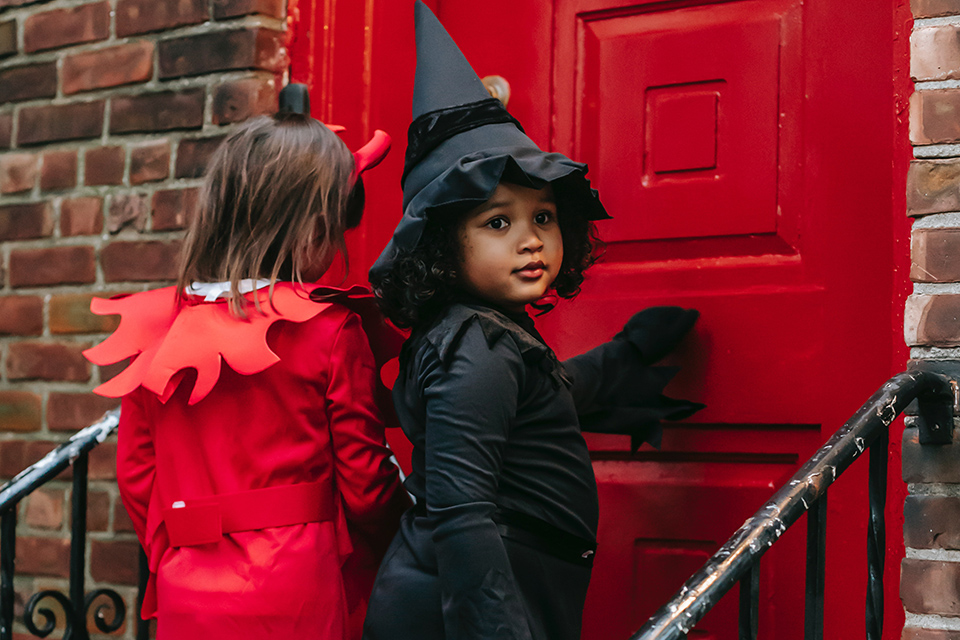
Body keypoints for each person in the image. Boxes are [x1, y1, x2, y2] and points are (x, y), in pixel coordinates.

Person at [361, 5, 703, 640]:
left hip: (501, 588)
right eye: (498, 222)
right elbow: (464, 515)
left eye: (542, 218)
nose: (530, 241)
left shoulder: (481, 330)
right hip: (477, 603)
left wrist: (625, 355)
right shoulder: (476, 341)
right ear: (441, 243)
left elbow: (538, 398)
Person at [84, 87, 410, 640]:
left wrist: (173, 557)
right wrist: (402, 540)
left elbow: (139, 475)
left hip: (187, 584)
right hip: (297, 585)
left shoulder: (156, 326)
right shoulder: (330, 329)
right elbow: (364, 481)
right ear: (310, 228)